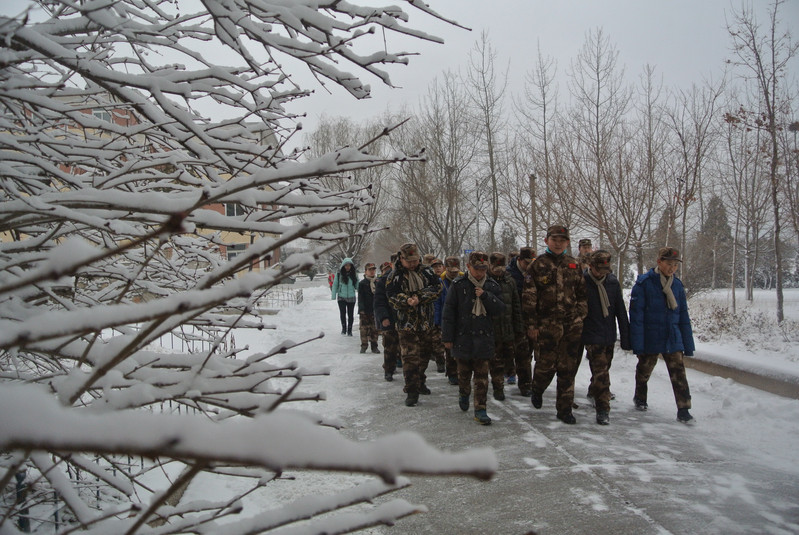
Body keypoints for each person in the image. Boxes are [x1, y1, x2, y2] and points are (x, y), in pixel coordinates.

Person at [523, 225, 587, 424]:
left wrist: (580, 316)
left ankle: (564, 409)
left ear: (567, 242)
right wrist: (532, 325)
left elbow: (582, 294)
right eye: (554, 239)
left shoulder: (574, 264)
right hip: (547, 326)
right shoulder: (538, 265)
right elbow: (529, 297)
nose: (558, 243)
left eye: (562, 240)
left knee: (568, 368)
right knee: (546, 365)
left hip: (571, 326)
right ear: (546, 241)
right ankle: (538, 387)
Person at [629, 247, 696, 423]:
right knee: (644, 370)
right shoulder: (645, 283)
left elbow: (683, 316)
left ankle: (684, 409)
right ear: (659, 262)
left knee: (678, 373)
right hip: (651, 335)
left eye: (675, 265)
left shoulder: (677, 285)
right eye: (669, 264)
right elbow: (637, 316)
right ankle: (640, 397)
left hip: (672, 336)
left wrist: (688, 344)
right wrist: (638, 344)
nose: (672, 268)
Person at [442, 251, 505, 425]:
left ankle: (480, 409)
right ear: (469, 267)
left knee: (482, 378)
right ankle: (464, 393)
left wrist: (485, 296)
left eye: (484, 269)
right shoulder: (459, 285)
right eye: (477, 269)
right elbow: (449, 312)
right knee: (463, 375)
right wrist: (447, 337)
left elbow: (500, 309)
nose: (480, 272)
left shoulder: (491, 285)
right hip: (463, 338)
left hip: (484, 339)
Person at [385, 243, 442, 406]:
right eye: (409, 261)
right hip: (406, 324)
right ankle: (411, 390)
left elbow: (437, 288)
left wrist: (420, 297)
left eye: (415, 260)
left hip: (426, 323)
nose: (412, 264)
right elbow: (391, 295)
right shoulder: (394, 276)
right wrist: (406, 300)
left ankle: (420, 381)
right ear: (401, 259)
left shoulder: (427, 271)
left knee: (424, 355)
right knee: (410, 357)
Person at [581, 250, 631, 425]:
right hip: (591, 334)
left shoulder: (612, 283)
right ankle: (603, 409)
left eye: (605, 270)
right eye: (598, 270)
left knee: (603, 368)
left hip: (608, 334)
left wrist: (626, 337)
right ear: (591, 266)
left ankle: (593, 390)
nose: (602, 273)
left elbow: (620, 311)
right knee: (602, 371)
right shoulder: (582, 282)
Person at [487, 252, 524, 401]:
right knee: (495, 361)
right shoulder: (485, 281)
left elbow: (516, 305)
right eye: (496, 266)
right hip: (492, 328)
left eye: (502, 266)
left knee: (509, 355)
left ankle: (511, 375)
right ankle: (498, 388)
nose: (499, 270)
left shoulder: (510, 281)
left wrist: (519, 326)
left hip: (508, 327)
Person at [507, 246, 536, 395]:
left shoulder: (535, 272)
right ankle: (525, 385)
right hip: (516, 319)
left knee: (531, 352)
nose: (529, 265)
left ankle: (532, 382)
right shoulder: (509, 274)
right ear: (519, 260)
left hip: (533, 319)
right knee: (522, 352)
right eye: (526, 262)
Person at [439, 256, 463, 385]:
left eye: (455, 271)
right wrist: (437, 322)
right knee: (449, 348)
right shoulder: (440, 282)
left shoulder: (464, 279)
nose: (453, 274)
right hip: (446, 319)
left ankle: (461, 371)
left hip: (461, 319)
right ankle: (452, 373)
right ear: (445, 269)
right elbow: (437, 303)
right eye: (450, 271)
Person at [374, 259, 400, 381]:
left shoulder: (404, 278)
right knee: (390, 346)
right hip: (389, 317)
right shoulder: (383, 281)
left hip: (404, 318)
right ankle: (389, 369)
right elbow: (379, 302)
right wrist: (383, 317)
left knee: (408, 348)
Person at [357, 262, 380, 354]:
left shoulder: (378, 282)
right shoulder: (362, 283)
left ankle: (374, 346)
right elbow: (360, 297)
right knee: (364, 329)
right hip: (365, 310)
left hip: (375, 309)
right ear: (365, 271)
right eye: (369, 270)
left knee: (374, 329)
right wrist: (361, 309)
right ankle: (364, 345)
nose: (372, 272)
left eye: (373, 269)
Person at [331, 258, 358, 336]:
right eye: (346, 265)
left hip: (351, 297)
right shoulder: (339, 274)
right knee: (342, 313)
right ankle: (344, 328)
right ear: (343, 265)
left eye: (349, 265)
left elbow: (357, 284)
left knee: (350, 314)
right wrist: (333, 295)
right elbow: (335, 284)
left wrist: (361, 290)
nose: (347, 267)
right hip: (341, 297)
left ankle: (350, 330)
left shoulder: (354, 274)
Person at [430, 258, 447, 373]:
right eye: (435, 267)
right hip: (433, 317)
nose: (437, 268)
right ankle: (440, 362)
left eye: (439, 266)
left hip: (445, 317)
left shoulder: (447, 281)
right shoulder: (429, 281)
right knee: (437, 342)